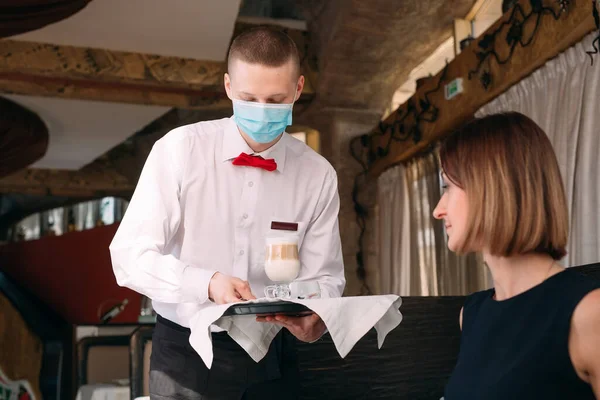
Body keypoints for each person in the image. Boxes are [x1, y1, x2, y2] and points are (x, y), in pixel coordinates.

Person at [109, 26, 346, 400]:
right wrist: (205, 282)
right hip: (186, 352)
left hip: (276, 355)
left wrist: (317, 319)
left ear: (298, 89)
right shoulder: (178, 151)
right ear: (228, 87)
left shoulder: (318, 175)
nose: (262, 111)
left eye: (276, 99)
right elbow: (130, 257)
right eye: (250, 98)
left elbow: (327, 277)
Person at [433, 112, 600, 399]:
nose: (438, 209)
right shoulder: (471, 316)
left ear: (491, 186)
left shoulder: (589, 313)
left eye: (448, 187)